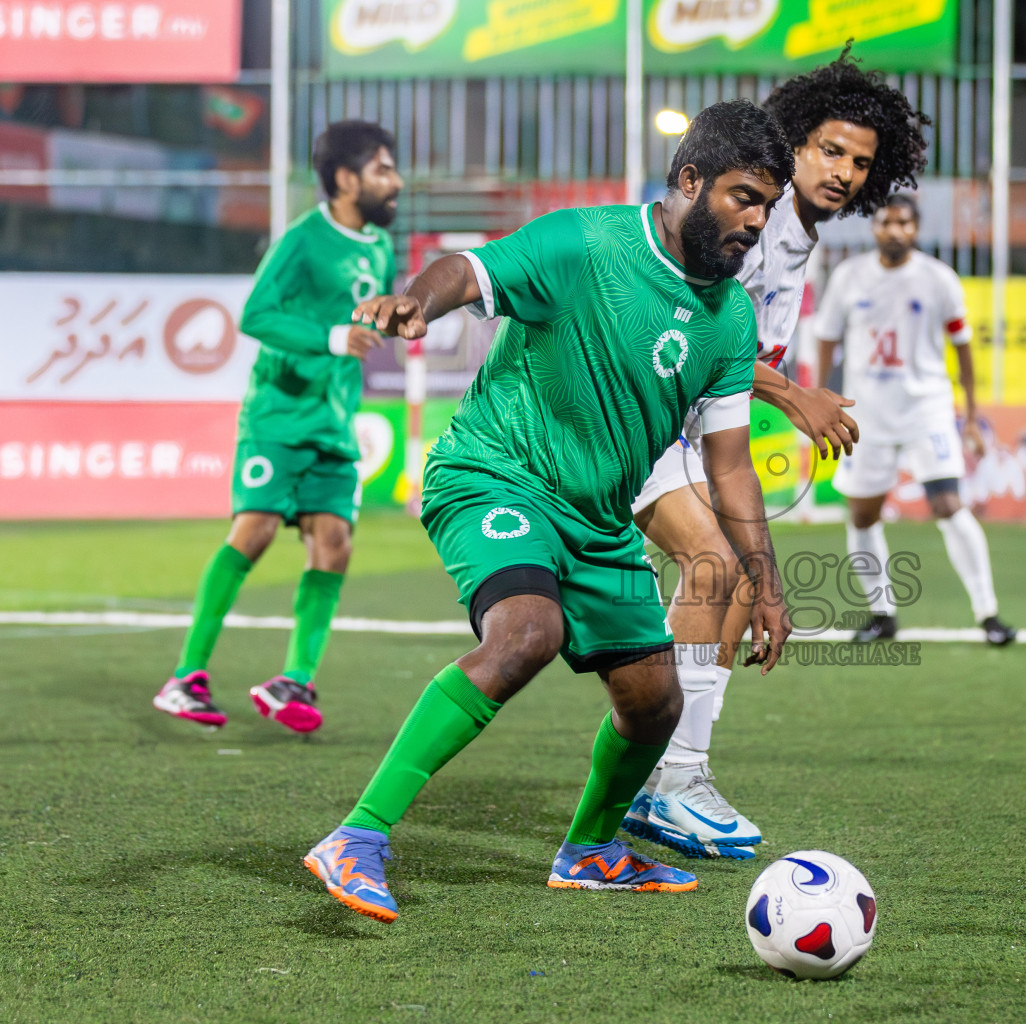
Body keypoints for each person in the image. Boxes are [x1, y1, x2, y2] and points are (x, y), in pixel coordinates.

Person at [301, 100, 796, 922]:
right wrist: (420, 302)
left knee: (654, 701)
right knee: (528, 633)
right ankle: (357, 835)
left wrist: (767, 584)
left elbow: (732, 466)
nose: (756, 220)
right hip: (497, 474)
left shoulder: (732, 318)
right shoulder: (585, 242)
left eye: (768, 207)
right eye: (744, 196)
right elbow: (470, 269)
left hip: (599, 521)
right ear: (690, 179)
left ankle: (593, 850)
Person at [621, 51, 931, 861]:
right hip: (642, 420)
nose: (846, 172)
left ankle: (678, 775)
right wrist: (795, 395)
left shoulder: (799, 240)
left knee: (731, 582)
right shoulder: (755, 224)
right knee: (714, 572)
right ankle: (665, 777)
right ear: (793, 143)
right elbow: (701, 335)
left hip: (693, 431)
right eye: (831, 150)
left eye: (862, 162)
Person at [152, 121, 401, 734]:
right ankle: (186, 677)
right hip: (279, 417)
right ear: (346, 179)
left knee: (335, 544)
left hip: (334, 423)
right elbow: (256, 313)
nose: (395, 182)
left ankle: (296, 679)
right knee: (255, 530)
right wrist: (329, 337)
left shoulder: (379, 247)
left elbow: (369, 320)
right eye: (382, 170)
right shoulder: (303, 239)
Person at [815, 194, 1016, 647]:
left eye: (903, 223)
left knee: (948, 505)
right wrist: (820, 396)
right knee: (863, 514)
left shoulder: (938, 278)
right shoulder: (849, 277)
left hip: (927, 408)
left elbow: (963, 346)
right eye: (886, 222)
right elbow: (826, 336)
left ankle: (988, 614)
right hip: (866, 412)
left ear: (915, 228)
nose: (894, 230)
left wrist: (970, 416)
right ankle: (882, 613)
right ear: (875, 228)